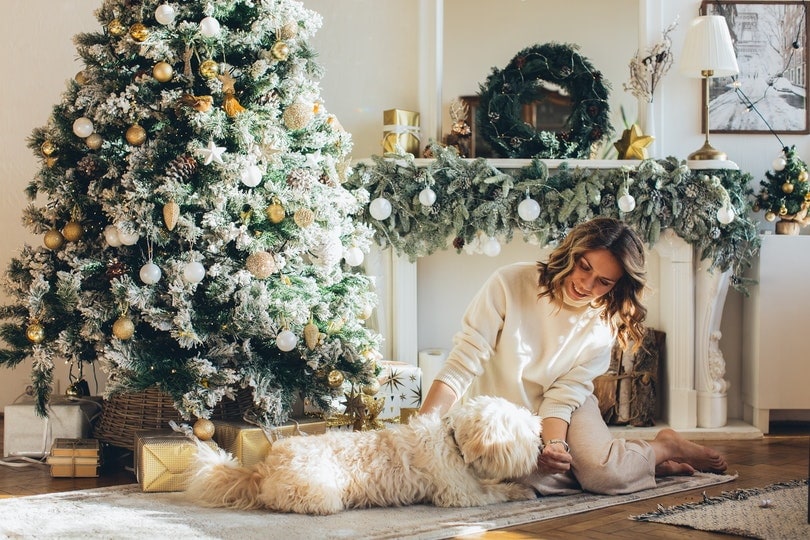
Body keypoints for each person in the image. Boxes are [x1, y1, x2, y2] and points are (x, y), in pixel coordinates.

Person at [419, 217, 727, 496]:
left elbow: (562, 396)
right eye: (584, 267)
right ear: (572, 253)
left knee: (603, 476)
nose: (586, 285)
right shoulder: (509, 283)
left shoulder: (603, 324)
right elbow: (463, 362)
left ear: (617, 286)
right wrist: (422, 431)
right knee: (515, 476)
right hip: (508, 415)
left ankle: (662, 448)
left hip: (566, 409)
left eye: (604, 282)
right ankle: (636, 464)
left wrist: (555, 445)